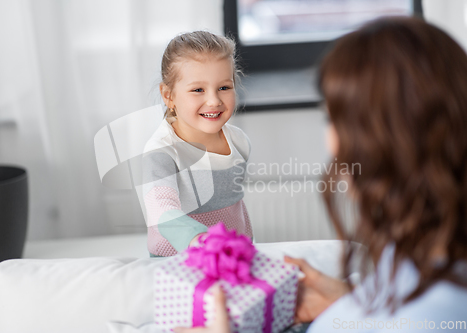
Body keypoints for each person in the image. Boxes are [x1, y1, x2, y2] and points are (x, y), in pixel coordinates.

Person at [174, 16, 467, 333]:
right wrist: (348, 301)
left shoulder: (428, 315)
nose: (331, 142)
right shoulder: (424, 250)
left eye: (333, 121)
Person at [142, 31, 253, 257]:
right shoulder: (162, 151)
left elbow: (232, 206)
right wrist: (198, 240)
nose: (214, 101)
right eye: (198, 90)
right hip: (177, 259)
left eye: (224, 87)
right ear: (169, 95)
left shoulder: (239, 142)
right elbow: (161, 208)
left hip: (231, 256)